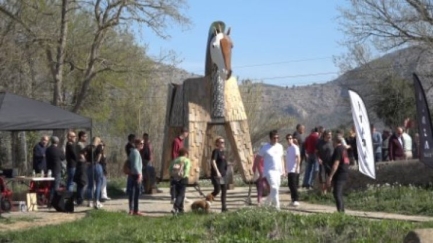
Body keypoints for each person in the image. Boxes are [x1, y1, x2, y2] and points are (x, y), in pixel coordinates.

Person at [254, 130, 285, 210]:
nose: (276, 139)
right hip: (269, 171)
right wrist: (260, 172)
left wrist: (284, 170)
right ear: (270, 138)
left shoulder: (280, 146)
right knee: (274, 188)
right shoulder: (265, 148)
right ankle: (277, 207)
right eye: (274, 138)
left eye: (277, 137)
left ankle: (266, 203)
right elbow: (257, 160)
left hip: (278, 171)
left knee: (276, 189)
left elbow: (281, 158)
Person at [326, 136, 350, 213]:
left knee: (337, 193)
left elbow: (336, 164)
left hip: (340, 173)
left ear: (335, 141)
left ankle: (340, 212)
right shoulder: (344, 149)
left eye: (333, 141)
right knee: (338, 193)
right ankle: (341, 210)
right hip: (345, 173)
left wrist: (330, 176)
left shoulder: (338, 149)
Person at [169, 148, 191, 215]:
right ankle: (175, 207)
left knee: (180, 194)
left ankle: (181, 210)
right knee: (181, 194)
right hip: (183, 179)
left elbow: (170, 170)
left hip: (174, 178)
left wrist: (173, 176)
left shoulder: (174, 160)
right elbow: (187, 169)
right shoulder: (187, 160)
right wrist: (184, 175)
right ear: (185, 154)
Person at [170, 127, 189, 204]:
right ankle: (173, 197)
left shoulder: (182, 141)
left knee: (181, 180)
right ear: (184, 132)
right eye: (187, 133)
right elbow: (174, 152)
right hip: (177, 162)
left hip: (182, 162)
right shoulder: (176, 141)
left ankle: (182, 195)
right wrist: (175, 163)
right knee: (175, 180)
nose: (187, 135)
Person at [45, 136, 65, 206]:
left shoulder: (48, 150)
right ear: (57, 142)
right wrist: (63, 151)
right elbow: (63, 158)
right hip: (57, 169)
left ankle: (49, 201)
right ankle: (53, 202)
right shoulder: (58, 150)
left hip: (49, 169)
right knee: (56, 186)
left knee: (50, 186)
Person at [85, 137, 104, 209]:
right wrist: (96, 161)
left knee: (90, 184)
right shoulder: (99, 147)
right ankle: (96, 201)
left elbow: (84, 154)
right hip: (96, 165)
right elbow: (99, 156)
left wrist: (87, 162)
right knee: (98, 183)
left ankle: (90, 201)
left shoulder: (88, 147)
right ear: (98, 141)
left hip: (89, 166)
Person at [210, 137, 228, 212]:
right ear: (217, 143)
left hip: (223, 175)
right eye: (221, 142)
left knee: (224, 191)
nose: (222, 143)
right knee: (217, 190)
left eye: (223, 142)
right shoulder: (216, 151)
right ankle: (207, 200)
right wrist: (217, 171)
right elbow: (213, 161)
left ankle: (224, 208)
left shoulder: (223, 152)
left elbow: (223, 162)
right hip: (216, 174)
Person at [128, 138, 144, 216]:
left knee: (134, 193)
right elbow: (135, 165)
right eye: (141, 143)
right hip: (135, 175)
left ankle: (134, 210)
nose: (142, 145)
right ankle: (133, 210)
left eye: (143, 143)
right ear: (136, 144)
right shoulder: (135, 152)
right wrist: (139, 175)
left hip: (133, 175)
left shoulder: (134, 152)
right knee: (134, 193)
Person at [316, 130, 334, 195]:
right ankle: (323, 192)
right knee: (322, 177)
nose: (330, 136)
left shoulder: (332, 142)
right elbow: (316, 152)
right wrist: (318, 158)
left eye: (331, 134)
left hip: (331, 162)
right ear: (325, 135)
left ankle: (331, 192)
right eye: (329, 134)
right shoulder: (319, 142)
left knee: (331, 177)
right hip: (322, 162)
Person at [285, 133, 300, 207]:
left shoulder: (295, 147)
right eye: (288, 138)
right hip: (289, 170)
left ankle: (296, 199)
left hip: (294, 169)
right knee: (290, 185)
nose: (289, 140)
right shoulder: (288, 148)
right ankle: (293, 199)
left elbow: (298, 157)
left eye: (290, 138)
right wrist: (286, 169)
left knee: (294, 185)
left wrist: (297, 167)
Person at [74, 131, 88, 205]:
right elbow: (83, 154)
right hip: (81, 164)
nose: (86, 138)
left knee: (81, 183)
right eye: (85, 136)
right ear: (81, 137)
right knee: (82, 183)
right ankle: (80, 199)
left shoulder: (81, 144)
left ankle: (80, 198)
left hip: (81, 164)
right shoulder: (80, 145)